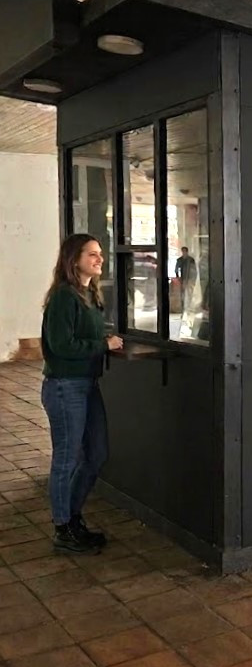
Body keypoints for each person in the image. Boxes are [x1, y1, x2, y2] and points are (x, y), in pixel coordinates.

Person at [41, 234, 123, 554]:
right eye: (92, 254)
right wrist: (103, 344)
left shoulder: (88, 294)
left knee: (96, 454)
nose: (100, 259)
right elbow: (61, 345)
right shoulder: (64, 296)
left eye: (100, 253)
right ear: (74, 259)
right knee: (66, 459)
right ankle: (63, 528)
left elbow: (84, 334)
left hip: (87, 384)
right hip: (65, 387)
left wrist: (105, 339)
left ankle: (72, 518)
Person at [175, 246, 197, 311]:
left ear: (187, 252)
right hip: (183, 278)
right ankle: (183, 307)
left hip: (190, 278)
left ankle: (189, 306)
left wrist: (194, 279)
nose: (184, 253)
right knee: (183, 293)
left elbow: (194, 270)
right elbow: (176, 269)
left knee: (190, 292)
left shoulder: (191, 260)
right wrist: (178, 277)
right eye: (183, 251)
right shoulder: (180, 260)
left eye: (185, 251)